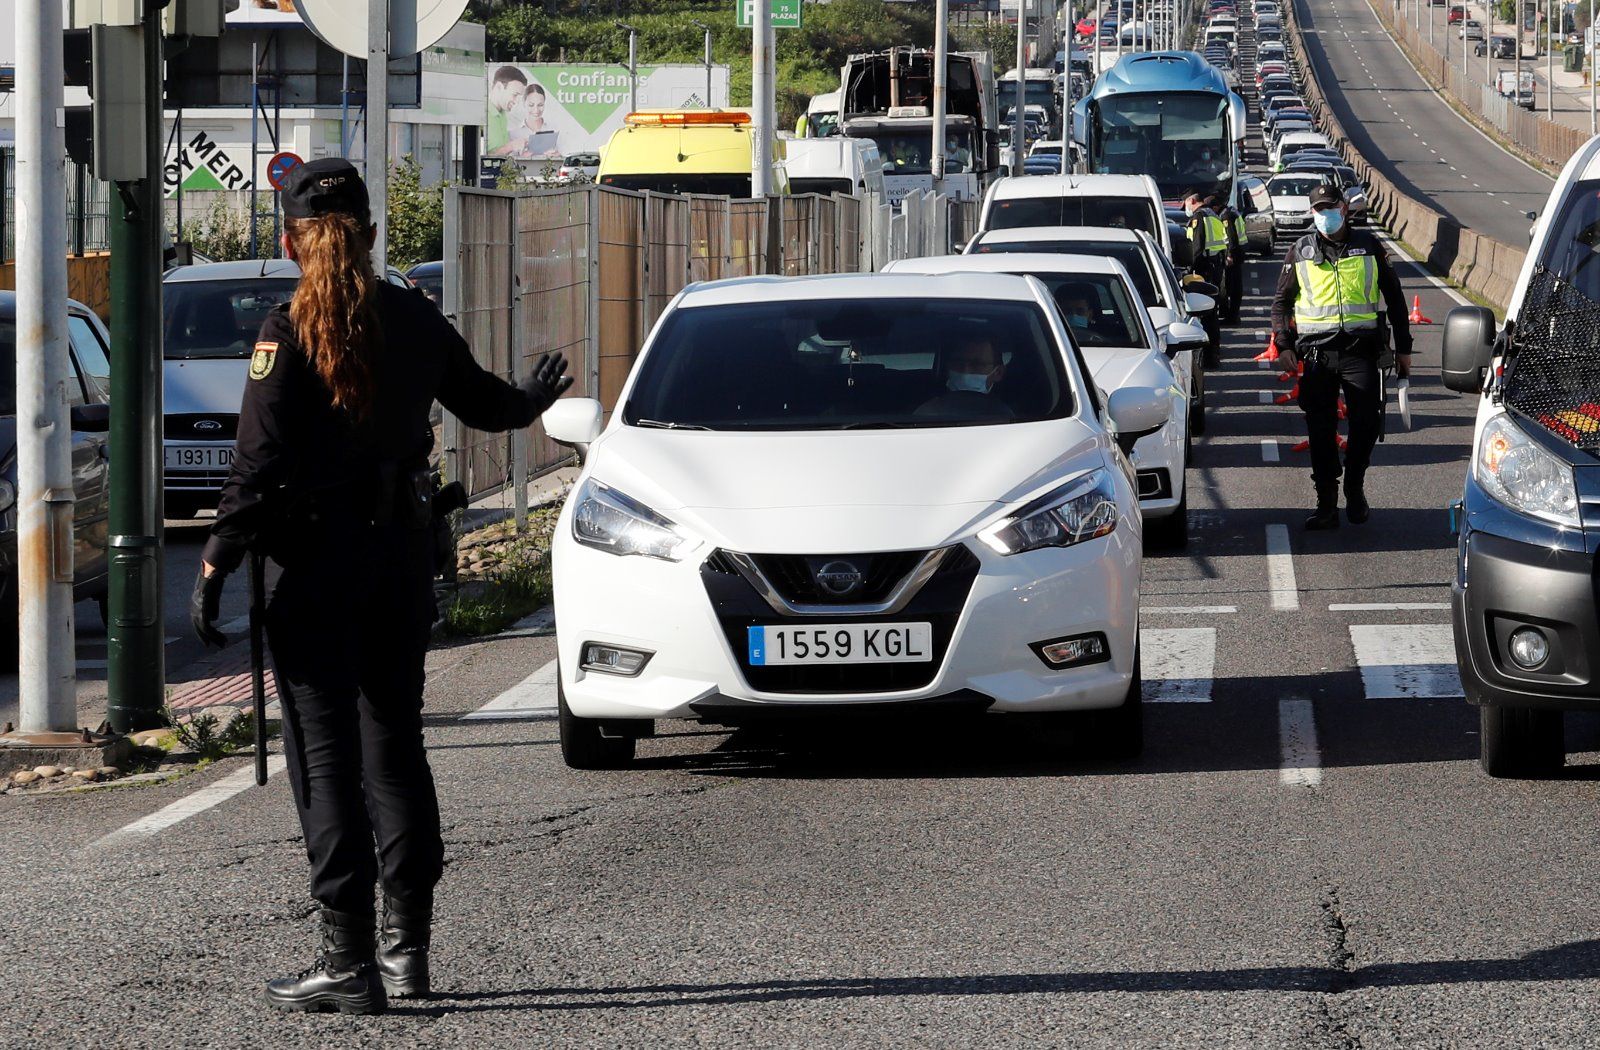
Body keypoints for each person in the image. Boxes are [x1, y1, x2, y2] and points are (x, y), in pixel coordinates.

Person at [189, 159, 573, 1014]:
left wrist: (216, 563)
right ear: (368, 234)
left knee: (325, 764)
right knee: (396, 754)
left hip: (314, 573)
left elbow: (256, 466)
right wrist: (532, 398)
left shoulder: (284, 331)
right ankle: (408, 958)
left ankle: (345, 959)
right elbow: (485, 404)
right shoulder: (412, 315)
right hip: (397, 562)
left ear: (290, 242)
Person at [1270, 183, 1412, 530]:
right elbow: (1281, 303)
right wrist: (1285, 345)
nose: (1324, 215)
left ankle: (1355, 482)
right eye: (1318, 209)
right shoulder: (1299, 252)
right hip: (1317, 355)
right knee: (1320, 431)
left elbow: (1394, 298)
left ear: (1344, 208)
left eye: (1329, 208)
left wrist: (1404, 349)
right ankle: (1327, 503)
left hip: (1359, 351)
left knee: (1367, 422)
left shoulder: (1369, 247)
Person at [917, 331, 1010, 418]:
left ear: (998, 373)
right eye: (958, 362)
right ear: (947, 367)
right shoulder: (926, 414)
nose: (965, 371)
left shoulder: (1012, 419)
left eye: (977, 364)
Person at [1185, 191, 1229, 357]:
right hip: (1215, 265)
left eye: (1186, 204)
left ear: (1192, 200)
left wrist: (1190, 268)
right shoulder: (1213, 215)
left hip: (1204, 268)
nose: (1186, 208)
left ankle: (1209, 354)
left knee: (1204, 311)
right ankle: (1213, 351)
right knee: (1211, 310)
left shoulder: (1199, 217)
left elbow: (1197, 247)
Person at [1213, 192, 1245, 322]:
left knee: (1229, 286)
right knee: (1234, 285)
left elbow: (1231, 238)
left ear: (1216, 206)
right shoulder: (1231, 212)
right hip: (1238, 253)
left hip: (1233, 255)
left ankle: (1232, 315)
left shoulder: (1226, 216)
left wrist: (1229, 255)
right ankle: (1232, 314)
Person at [485, 66, 527, 156]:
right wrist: (510, 146)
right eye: (515, 95)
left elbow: (500, 152)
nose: (516, 102)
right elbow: (476, 158)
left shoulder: (503, 114)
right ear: (499, 87)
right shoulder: (481, 115)